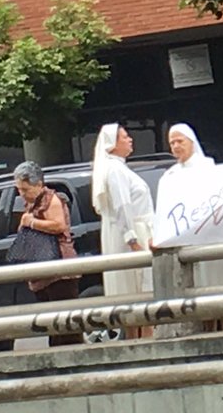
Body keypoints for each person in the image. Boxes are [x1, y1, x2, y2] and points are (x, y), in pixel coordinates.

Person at [161, 123, 223, 330]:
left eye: (180, 141)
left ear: (191, 142)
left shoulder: (207, 166)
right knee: (199, 284)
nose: (176, 146)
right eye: (172, 143)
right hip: (188, 238)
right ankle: (207, 328)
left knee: (219, 281)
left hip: (211, 233)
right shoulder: (170, 174)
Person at [92, 123, 156, 338]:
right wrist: (133, 240)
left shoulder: (119, 168)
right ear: (112, 143)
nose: (130, 140)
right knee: (137, 292)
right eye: (124, 137)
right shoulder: (114, 170)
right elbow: (123, 206)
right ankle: (143, 342)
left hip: (134, 230)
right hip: (132, 234)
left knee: (139, 294)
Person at [11, 162, 82, 346]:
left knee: (65, 321)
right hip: (43, 271)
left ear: (38, 184)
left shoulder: (52, 199)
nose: (22, 194)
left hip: (59, 269)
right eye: (19, 190)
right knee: (51, 323)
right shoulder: (31, 204)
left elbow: (59, 225)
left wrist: (31, 222)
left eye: (25, 189)